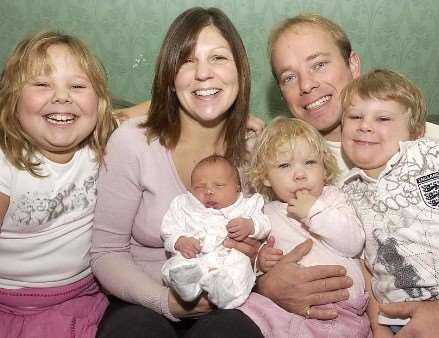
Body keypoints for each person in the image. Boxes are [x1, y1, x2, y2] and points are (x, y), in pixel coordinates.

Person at [256, 14, 439, 338]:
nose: (306, 86)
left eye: (318, 64)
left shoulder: (426, 145)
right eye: (289, 77)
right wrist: (264, 283)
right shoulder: (278, 156)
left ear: (353, 64)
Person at [91, 7, 264, 338]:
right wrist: (164, 302)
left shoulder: (257, 149)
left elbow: (268, 241)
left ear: (240, 72)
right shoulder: (133, 141)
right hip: (141, 300)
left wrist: (256, 258)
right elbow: (105, 253)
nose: (203, 73)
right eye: (187, 60)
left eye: (218, 58)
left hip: (229, 302)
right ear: (170, 77)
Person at [0, 31, 117, 337]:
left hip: (82, 298)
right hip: (8, 303)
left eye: (77, 86)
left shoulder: (101, 142)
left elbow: (153, 113)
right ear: (12, 98)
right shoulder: (6, 163)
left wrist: (237, 123)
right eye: (42, 84)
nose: (62, 96)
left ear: (100, 103)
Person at [340, 69, 439, 337]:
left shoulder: (431, 155)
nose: (364, 125)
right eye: (355, 116)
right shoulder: (346, 191)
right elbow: (367, 268)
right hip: (398, 318)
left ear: (416, 132)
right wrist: (378, 325)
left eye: (383, 118)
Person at [236, 117, 369, 337]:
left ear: (324, 169)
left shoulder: (333, 198)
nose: (300, 174)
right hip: (283, 307)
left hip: (339, 307)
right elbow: (256, 260)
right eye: (284, 165)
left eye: (310, 163)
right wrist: (262, 261)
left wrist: (313, 210)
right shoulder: (266, 213)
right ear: (265, 177)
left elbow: (353, 244)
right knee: (241, 312)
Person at [161, 155, 270, 309]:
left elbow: (264, 224)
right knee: (179, 264)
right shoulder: (183, 205)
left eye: (219, 185)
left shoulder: (247, 206)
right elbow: (169, 230)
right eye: (199, 187)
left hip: (228, 257)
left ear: (237, 188)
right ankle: (187, 285)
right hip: (195, 257)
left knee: (240, 265)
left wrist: (250, 225)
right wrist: (180, 241)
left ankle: (225, 292)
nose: (208, 191)